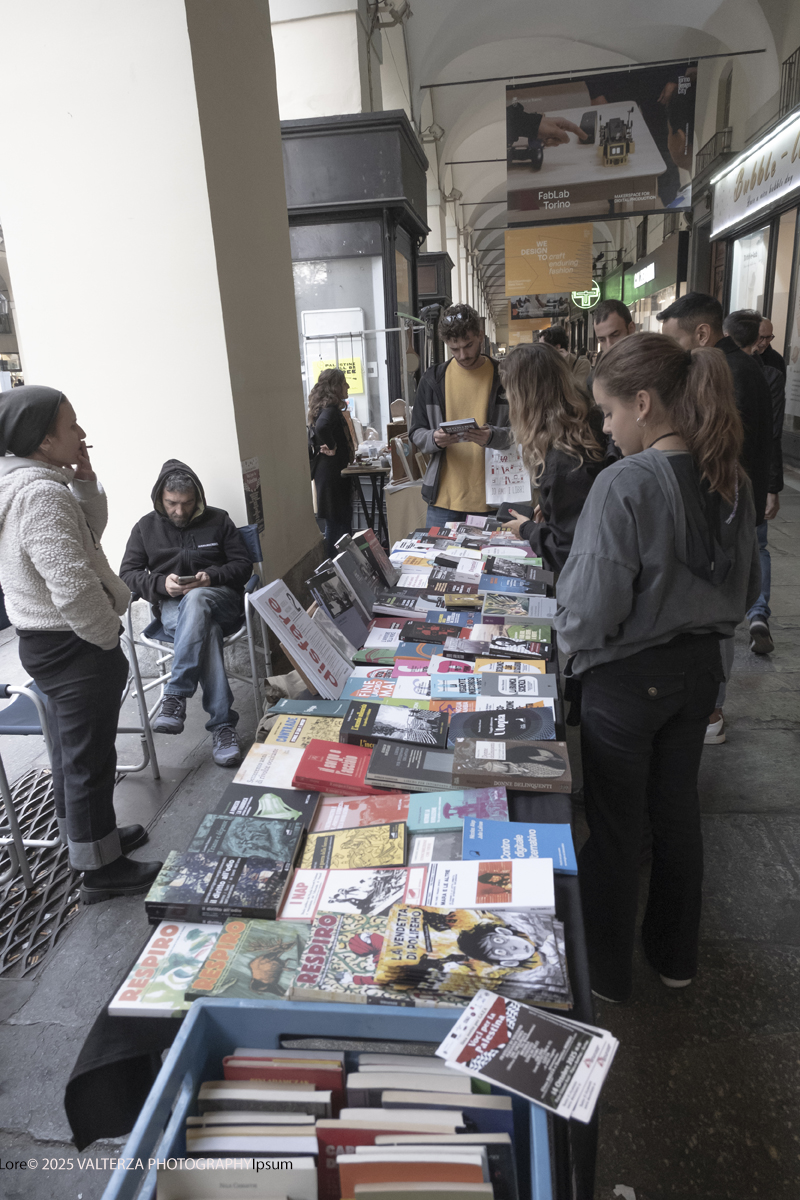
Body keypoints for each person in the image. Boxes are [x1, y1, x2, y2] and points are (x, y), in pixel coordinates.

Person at [555, 333, 760, 1003]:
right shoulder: (731, 474)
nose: (607, 429)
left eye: (609, 413)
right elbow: (751, 579)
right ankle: (676, 959)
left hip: (627, 678)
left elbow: (591, 603)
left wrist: (568, 650)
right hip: (700, 672)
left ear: (644, 403)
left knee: (615, 824)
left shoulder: (626, 483)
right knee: (676, 815)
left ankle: (607, 974)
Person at [0, 386, 163, 902]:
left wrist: (86, 484)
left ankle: (92, 841)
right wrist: (106, 635)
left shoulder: (34, 484)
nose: (83, 434)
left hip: (49, 642)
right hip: (72, 643)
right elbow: (69, 581)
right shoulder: (40, 493)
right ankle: (101, 871)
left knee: (79, 753)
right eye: (72, 426)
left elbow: (86, 534)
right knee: (90, 759)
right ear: (44, 440)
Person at [658, 293, 772, 742]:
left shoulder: (720, 374)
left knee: (716, 611)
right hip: (739, 500)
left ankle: (711, 710)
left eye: (676, 341)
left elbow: (727, 444)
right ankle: (709, 706)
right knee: (726, 599)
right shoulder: (748, 367)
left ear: (701, 334)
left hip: (721, 504)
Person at [120, 460, 252, 767]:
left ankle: (176, 693)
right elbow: (128, 573)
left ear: (198, 499)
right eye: (172, 504)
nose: (179, 511)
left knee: (198, 599)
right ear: (160, 498)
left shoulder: (219, 520)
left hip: (221, 598)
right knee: (208, 631)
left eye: (187, 504)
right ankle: (222, 726)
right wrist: (160, 584)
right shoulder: (145, 527)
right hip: (173, 606)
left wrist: (212, 576)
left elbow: (243, 566)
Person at [498, 342, 606, 573]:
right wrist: (550, 506)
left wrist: (527, 529)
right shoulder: (589, 423)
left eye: (509, 394)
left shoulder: (562, 460)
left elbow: (566, 550)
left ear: (524, 399)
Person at [409, 304, 512, 526]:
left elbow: (526, 432)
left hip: (495, 500)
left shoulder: (505, 377)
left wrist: (493, 437)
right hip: (444, 500)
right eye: (454, 349)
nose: (462, 355)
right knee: (437, 561)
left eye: (468, 345)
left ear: (480, 336)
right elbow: (416, 432)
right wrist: (435, 439)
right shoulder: (432, 380)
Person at [722, 309, 785, 655]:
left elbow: (772, 434)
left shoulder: (764, 370)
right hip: (747, 477)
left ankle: (753, 614)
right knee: (755, 546)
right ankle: (756, 613)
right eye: (762, 337)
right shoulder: (756, 369)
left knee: (753, 545)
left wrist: (772, 487)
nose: (765, 344)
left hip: (742, 477)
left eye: (770, 338)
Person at [307, 368, 355, 556]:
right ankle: (336, 568)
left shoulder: (325, 409)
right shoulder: (330, 411)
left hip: (329, 475)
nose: (348, 386)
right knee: (337, 526)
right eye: (344, 383)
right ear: (335, 386)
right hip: (332, 477)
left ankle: (338, 566)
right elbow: (322, 426)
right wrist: (333, 446)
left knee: (337, 524)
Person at [539, 324, 592, 393]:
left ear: (557, 348)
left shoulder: (582, 364)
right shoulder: (542, 366)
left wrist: (564, 364)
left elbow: (578, 391)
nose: (539, 350)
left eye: (543, 347)